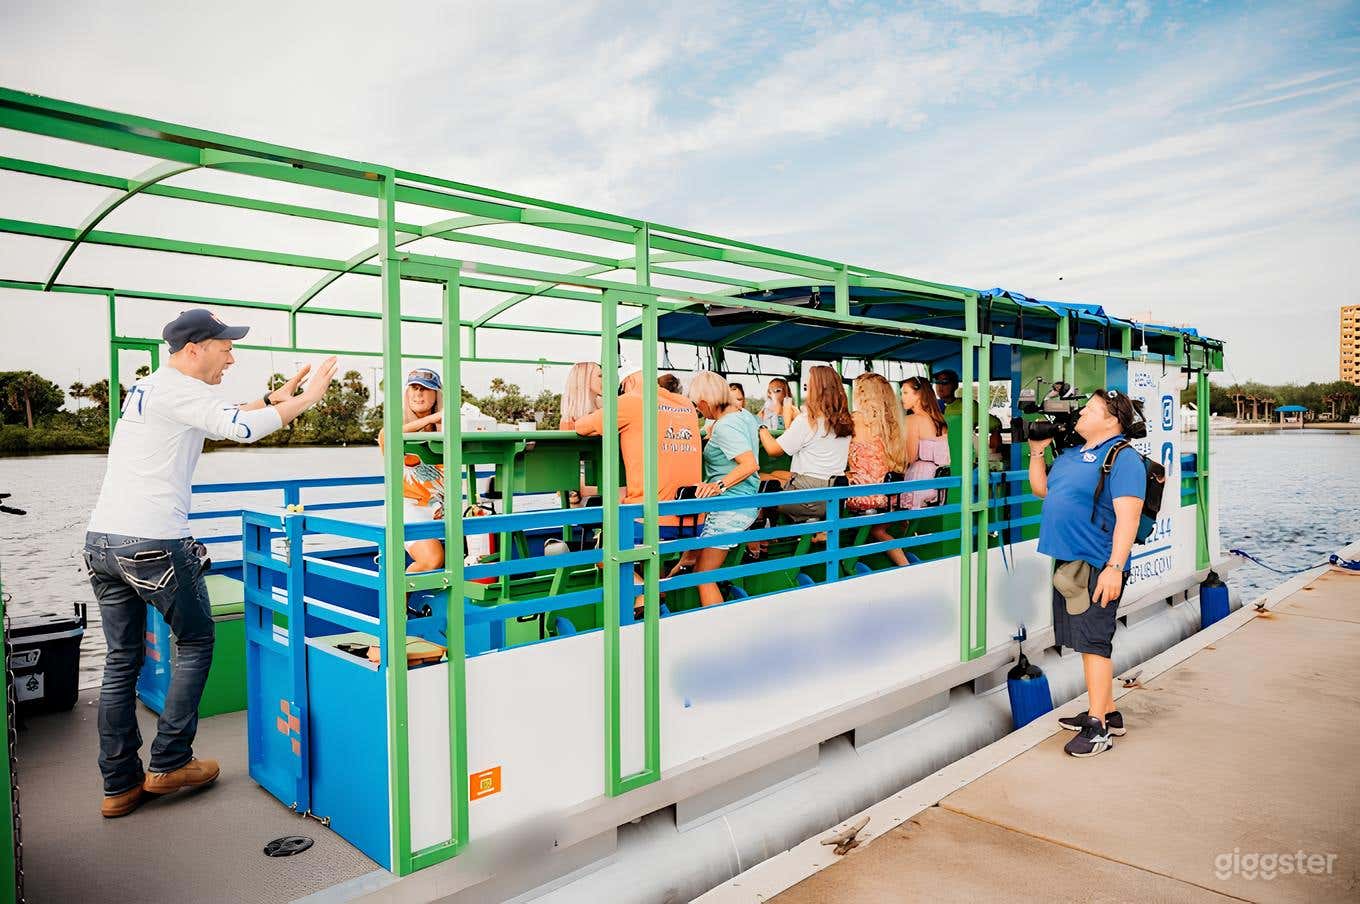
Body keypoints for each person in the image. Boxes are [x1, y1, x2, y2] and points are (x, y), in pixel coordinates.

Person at [85, 309, 336, 818]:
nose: (232, 357)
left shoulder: (150, 387)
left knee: (120, 660)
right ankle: (170, 761)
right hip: (154, 542)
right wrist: (308, 399)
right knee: (196, 641)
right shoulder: (182, 389)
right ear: (194, 349)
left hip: (102, 542)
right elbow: (241, 429)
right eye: (226, 348)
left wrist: (273, 399)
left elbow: (225, 414)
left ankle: (119, 785)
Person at [1028, 389, 1146, 758]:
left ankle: (1097, 728)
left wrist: (1115, 567)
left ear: (1111, 420)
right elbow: (1042, 490)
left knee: (1095, 642)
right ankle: (1108, 711)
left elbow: (1129, 519)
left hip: (1098, 563)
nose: (1080, 414)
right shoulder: (1071, 454)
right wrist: (1036, 452)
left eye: (1090, 410)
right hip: (1069, 561)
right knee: (1083, 640)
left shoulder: (1123, 458)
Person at [573, 369, 703, 541]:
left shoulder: (631, 399)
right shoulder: (686, 404)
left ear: (628, 382)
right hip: (694, 518)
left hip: (648, 520)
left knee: (606, 544)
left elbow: (581, 427)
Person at [666, 371, 761, 606]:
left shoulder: (725, 426)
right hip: (745, 503)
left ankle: (716, 621)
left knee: (704, 575)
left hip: (730, 508)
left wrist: (717, 486)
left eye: (698, 406)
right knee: (694, 561)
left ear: (705, 402)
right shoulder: (744, 416)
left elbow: (750, 464)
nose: (699, 411)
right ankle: (676, 572)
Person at [757, 365, 852, 524]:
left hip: (811, 496)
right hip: (834, 490)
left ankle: (764, 528)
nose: (806, 393)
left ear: (817, 390)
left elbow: (773, 450)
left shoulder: (807, 420)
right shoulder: (845, 421)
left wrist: (760, 426)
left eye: (808, 387)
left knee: (761, 477)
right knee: (776, 473)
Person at [376, 368, 447, 574]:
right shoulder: (397, 428)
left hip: (442, 509)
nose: (418, 394)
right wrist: (430, 419)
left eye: (425, 388)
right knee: (432, 559)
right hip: (408, 509)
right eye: (414, 388)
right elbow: (386, 436)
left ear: (436, 395)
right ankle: (399, 595)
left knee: (483, 544)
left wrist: (442, 421)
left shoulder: (447, 429)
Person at [845, 373, 908, 566]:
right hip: (889, 493)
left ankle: (822, 536)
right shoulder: (892, 423)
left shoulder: (855, 419)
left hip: (864, 493)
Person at [932, 368, 1003, 471]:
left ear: (955, 385)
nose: (940, 386)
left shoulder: (967, 405)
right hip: (937, 454)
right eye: (937, 382)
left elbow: (995, 424)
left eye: (945, 382)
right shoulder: (932, 406)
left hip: (962, 453)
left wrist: (995, 437)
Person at [901, 376, 951, 509]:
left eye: (905, 393)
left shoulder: (912, 420)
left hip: (917, 477)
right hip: (936, 479)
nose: (902, 398)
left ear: (919, 395)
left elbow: (910, 457)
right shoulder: (939, 421)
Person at [559, 362, 603, 431]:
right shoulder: (568, 421)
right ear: (584, 379)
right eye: (600, 376)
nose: (606, 380)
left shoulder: (602, 407)